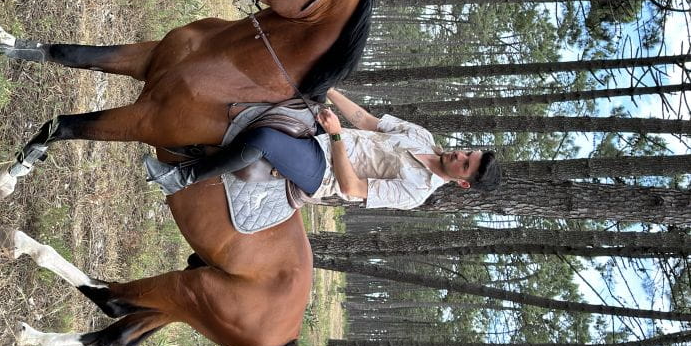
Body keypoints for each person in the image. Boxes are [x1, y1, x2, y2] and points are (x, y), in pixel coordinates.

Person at [144, 89, 501, 209]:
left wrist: (335, 137)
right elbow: (366, 121)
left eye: (465, 164)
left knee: (267, 139)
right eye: (468, 152)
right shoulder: (423, 137)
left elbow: (352, 189)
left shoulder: (416, 192)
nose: (460, 155)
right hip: (331, 134)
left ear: (463, 182)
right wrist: (328, 92)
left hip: (325, 171)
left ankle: (181, 176)